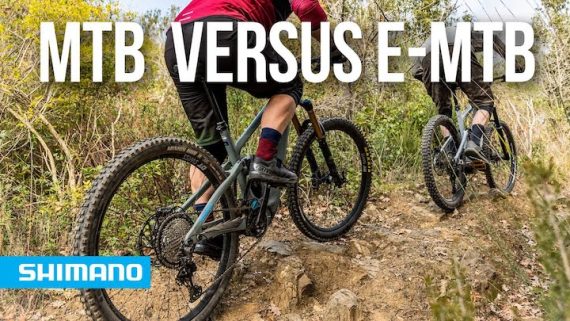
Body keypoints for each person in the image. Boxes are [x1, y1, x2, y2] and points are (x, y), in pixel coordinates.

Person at [164, 0, 336, 259]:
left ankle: (209, 234)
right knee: (289, 85)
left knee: (211, 151)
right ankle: (264, 160)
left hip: (178, 42)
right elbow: (308, 7)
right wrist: (333, 48)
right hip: (224, 32)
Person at [411, 26, 520, 161]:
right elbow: (493, 39)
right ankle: (473, 144)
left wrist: (440, 83)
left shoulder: (427, 42)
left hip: (428, 60)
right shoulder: (465, 33)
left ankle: (450, 154)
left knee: (444, 111)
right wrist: (516, 66)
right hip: (458, 51)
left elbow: (415, 72)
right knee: (484, 101)